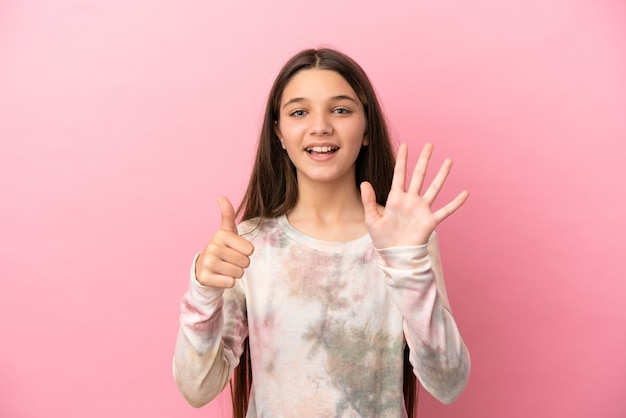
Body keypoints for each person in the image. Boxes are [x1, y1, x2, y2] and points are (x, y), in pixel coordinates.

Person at [173, 47, 471, 418]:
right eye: (299, 112)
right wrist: (202, 294)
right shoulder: (248, 245)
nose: (320, 126)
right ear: (278, 133)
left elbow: (449, 384)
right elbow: (197, 389)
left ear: (366, 130)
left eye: (341, 110)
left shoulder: (402, 240)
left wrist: (407, 266)